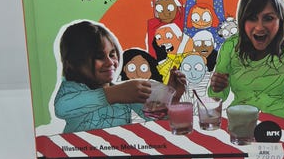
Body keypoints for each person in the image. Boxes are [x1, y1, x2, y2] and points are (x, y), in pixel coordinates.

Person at [54, 20, 186, 133]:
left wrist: (171, 97)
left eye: (112, 54)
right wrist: (114, 94)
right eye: (99, 57)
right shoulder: (70, 89)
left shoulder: (126, 93)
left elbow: (159, 120)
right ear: (73, 63)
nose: (110, 62)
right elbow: (62, 108)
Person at [208, 0, 284, 119]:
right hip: (239, 122)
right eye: (252, 18)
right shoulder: (230, 46)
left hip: (276, 124)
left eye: (268, 18)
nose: (259, 27)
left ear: (281, 20)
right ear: (242, 20)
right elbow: (217, 97)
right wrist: (216, 87)